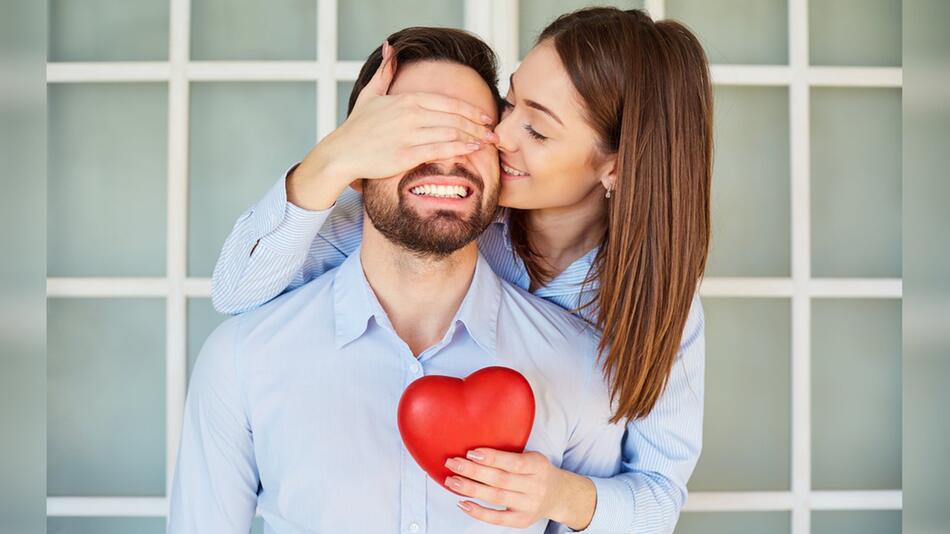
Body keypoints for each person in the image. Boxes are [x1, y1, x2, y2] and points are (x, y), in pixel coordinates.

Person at [212, 7, 712, 533]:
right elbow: (237, 291)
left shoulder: (657, 307)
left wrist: (558, 494)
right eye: (510, 102)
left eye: (538, 131)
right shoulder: (446, 214)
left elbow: (659, 494)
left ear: (616, 164)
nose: (501, 135)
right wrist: (339, 155)